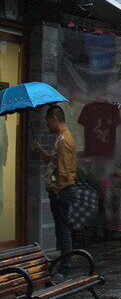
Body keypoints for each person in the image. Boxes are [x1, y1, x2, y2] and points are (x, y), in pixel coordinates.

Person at [33, 105, 77, 282]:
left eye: (48, 122)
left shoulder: (65, 140)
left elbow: (64, 173)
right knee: (61, 231)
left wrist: (56, 190)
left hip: (62, 192)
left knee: (63, 231)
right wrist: (40, 150)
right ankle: (62, 265)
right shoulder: (60, 139)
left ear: (54, 119)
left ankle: (65, 269)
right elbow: (54, 162)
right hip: (60, 191)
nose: (47, 126)